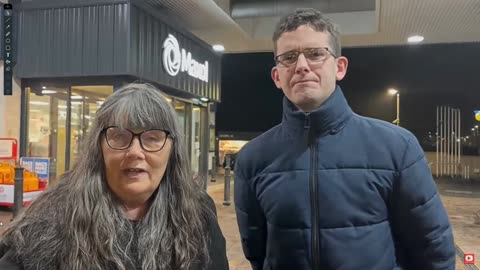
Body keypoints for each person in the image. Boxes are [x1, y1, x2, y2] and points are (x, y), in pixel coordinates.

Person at [234, 8, 455, 270]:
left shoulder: (397, 147)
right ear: (276, 76)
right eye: (289, 57)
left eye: (315, 54)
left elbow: (433, 248)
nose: (301, 66)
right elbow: (256, 251)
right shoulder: (253, 158)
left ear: (339, 67)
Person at [0, 83, 229, 270]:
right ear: (98, 147)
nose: (135, 152)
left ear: (172, 149)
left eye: (152, 137)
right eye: (119, 136)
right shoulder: (51, 216)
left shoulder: (198, 212)